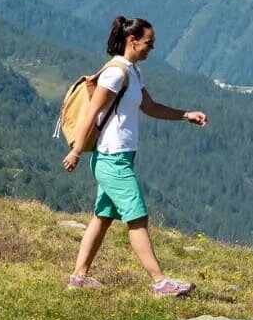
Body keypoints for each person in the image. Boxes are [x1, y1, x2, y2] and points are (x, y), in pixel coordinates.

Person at [63, 16, 207, 296]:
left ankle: (79, 276)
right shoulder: (115, 73)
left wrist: (185, 115)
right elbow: (92, 112)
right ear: (133, 41)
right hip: (111, 158)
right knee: (137, 217)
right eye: (148, 43)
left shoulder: (132, 72)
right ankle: (160, 281)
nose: (151, 49)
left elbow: (150, 107)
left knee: (102, 216)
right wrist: (77, 150)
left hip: (120, 157)